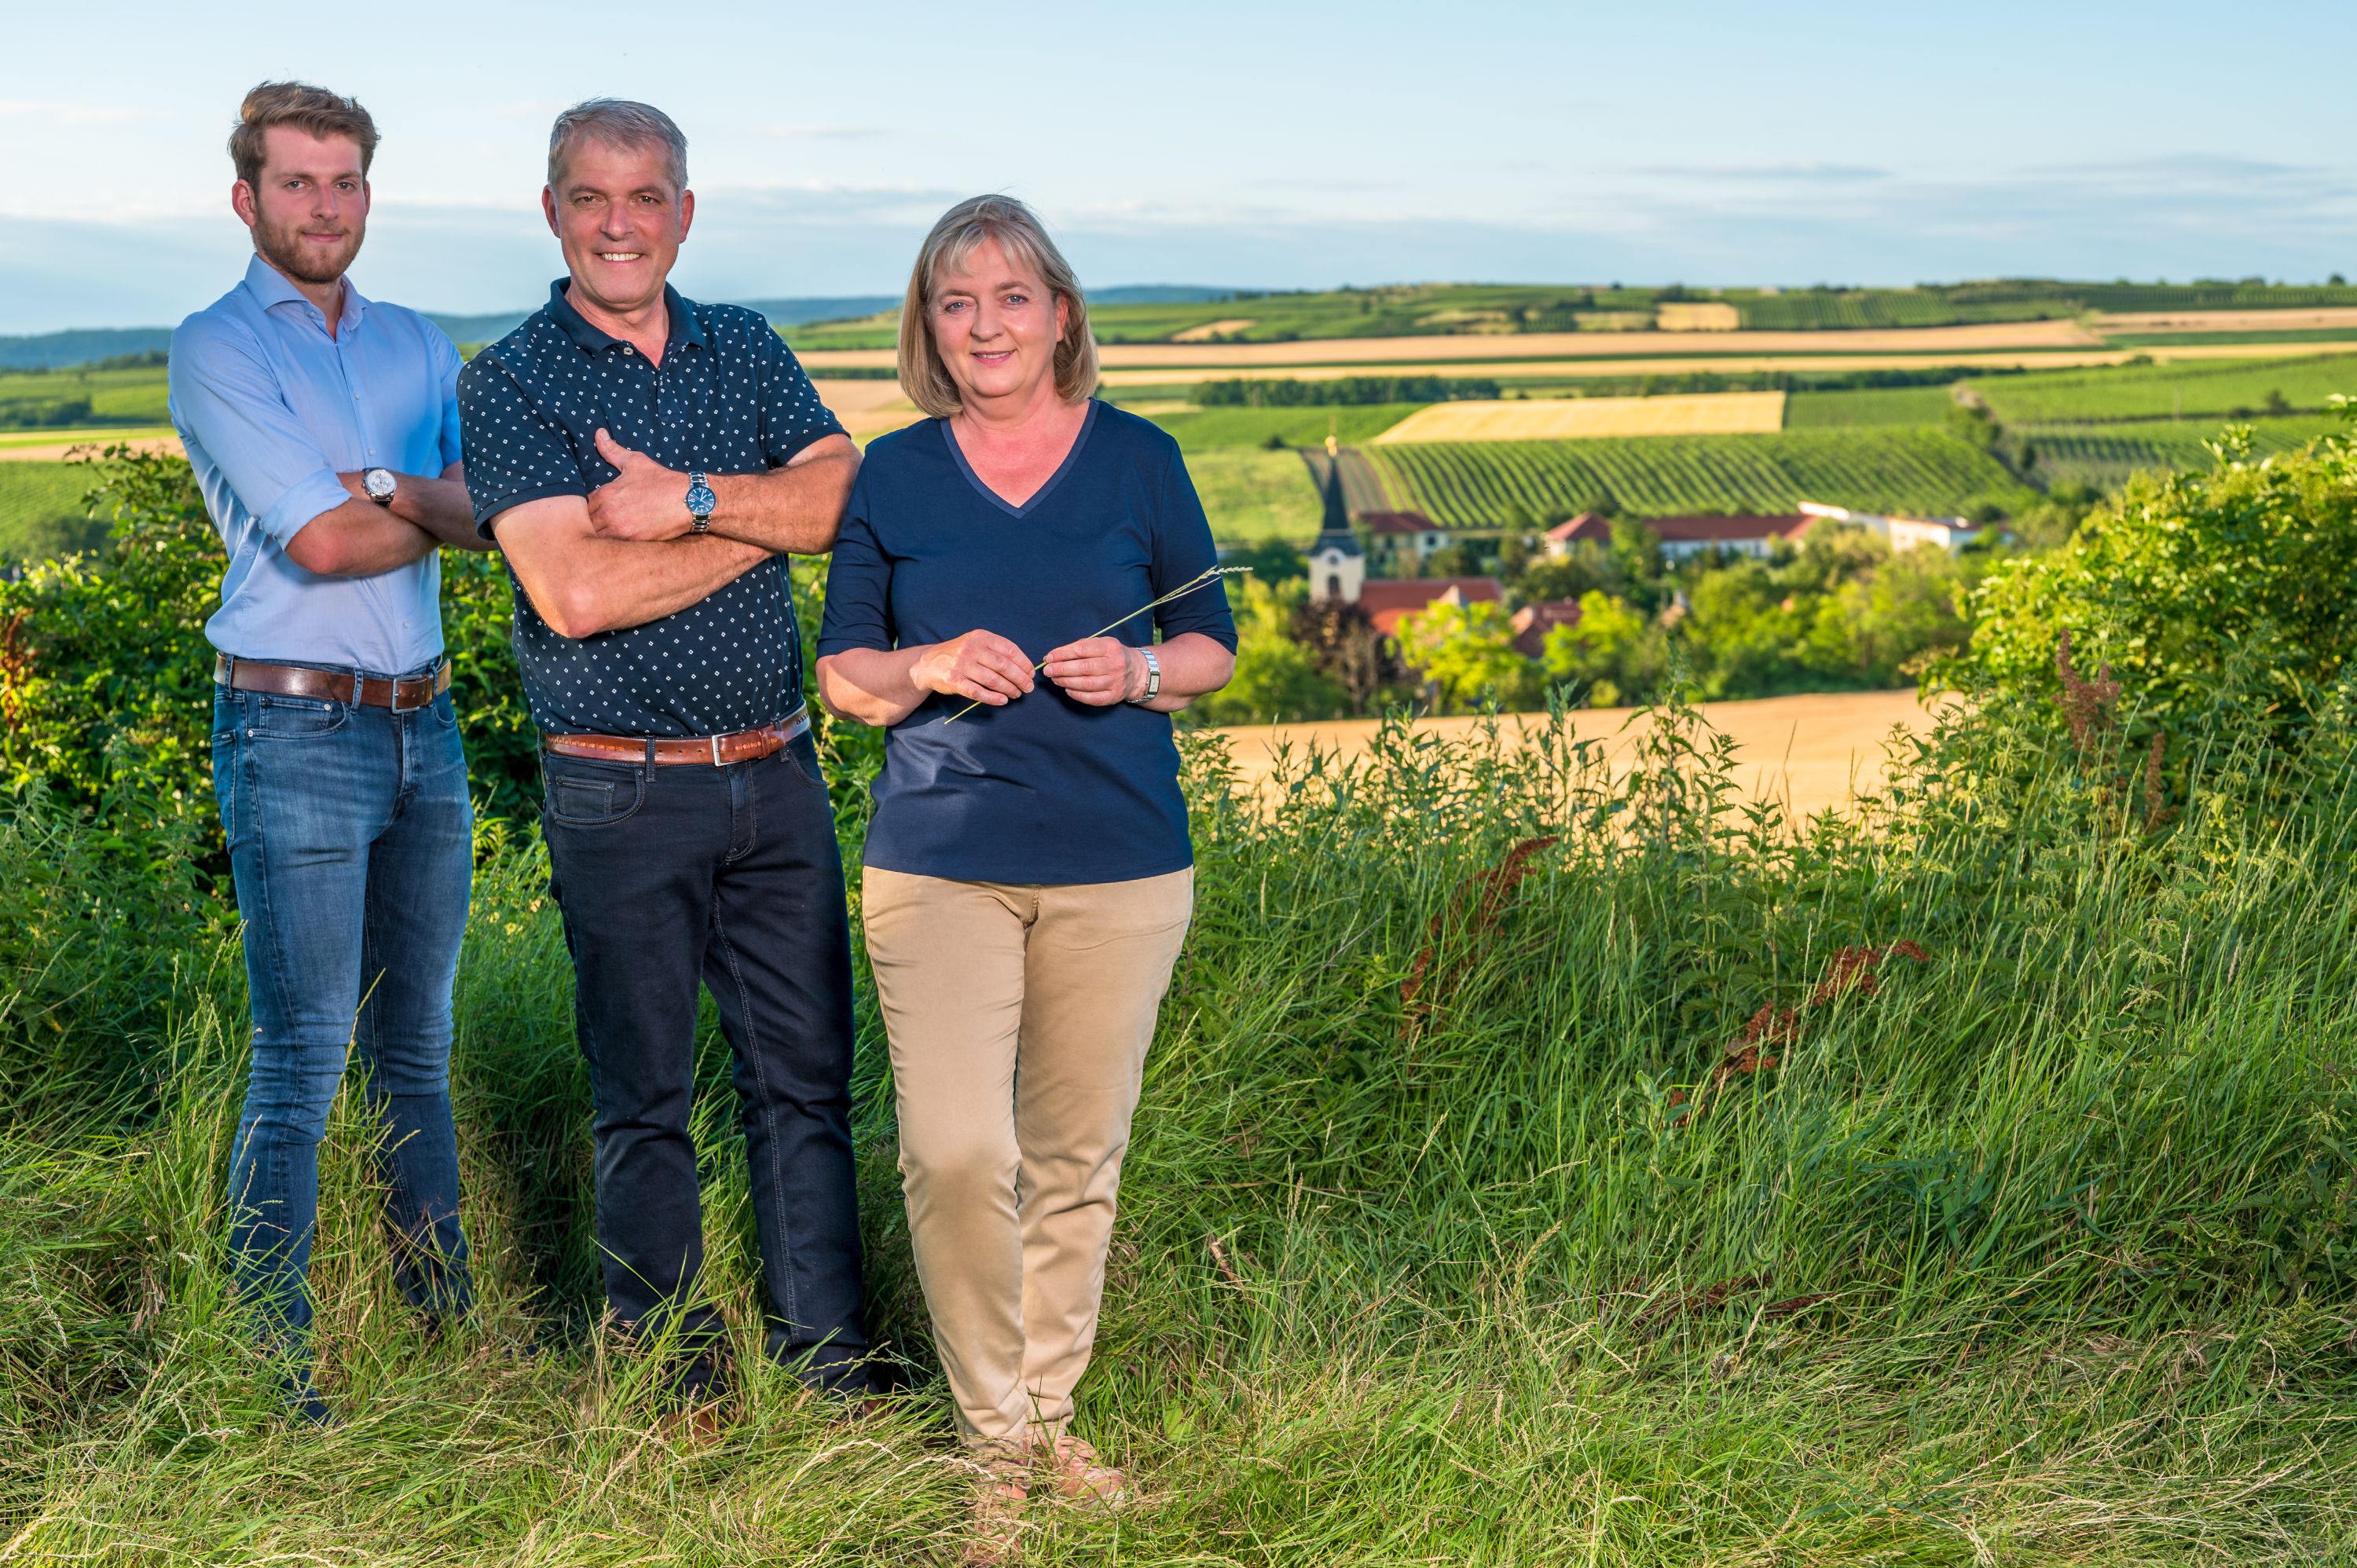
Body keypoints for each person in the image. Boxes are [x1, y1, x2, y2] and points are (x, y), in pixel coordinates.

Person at [813, 196, 1237, 1546]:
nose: (985, 323)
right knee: (953, 1149)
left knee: (1073, 1156)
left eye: (1010, 295)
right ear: (927, 327)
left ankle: (1040, 1431)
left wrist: (1144, 670)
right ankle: (997, 1432)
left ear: (1061, 312)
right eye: (955, 299)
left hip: (1120, 864)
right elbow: (843, 675)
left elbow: (1213, 645)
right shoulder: (894, 474)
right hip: (940, 861)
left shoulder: (1141, 461)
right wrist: (927, 666)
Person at [456, 100, 871, 1416]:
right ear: (553, 212)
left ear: (685, 211)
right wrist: (770, 519)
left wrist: (689, 501)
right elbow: (573, 592)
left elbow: (848, 491)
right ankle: (672, 1378)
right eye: (592, 197)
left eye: (647, 197)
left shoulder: (744, 347)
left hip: (777, 771)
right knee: (642, 1097)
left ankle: (826, 1370)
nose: (620, 223)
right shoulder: (511, 377)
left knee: (804, 1085)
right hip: (617, 782)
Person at [170, 82, 497, 1424]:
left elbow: (505, 510)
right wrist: (416, 502)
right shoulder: (216, 346)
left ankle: (444, 1331)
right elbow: (319, 544)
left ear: (370, 193)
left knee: (415, 1045)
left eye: (345, 181)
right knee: (301, 1056)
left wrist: (392, 493)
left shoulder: (422, 343)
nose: (323, 206)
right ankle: (274, 1368)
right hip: (292, 721)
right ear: (247, 198)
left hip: (427, 722)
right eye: (297, 182)